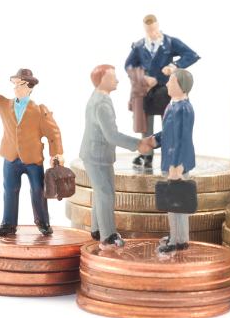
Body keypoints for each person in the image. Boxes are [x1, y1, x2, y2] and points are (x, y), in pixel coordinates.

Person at [0, 46, 64, 237]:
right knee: (9, 190)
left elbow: (53, 132)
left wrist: (57, 153)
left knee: (38, 190)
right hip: (11, 157)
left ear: (30, 87)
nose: (16, 87)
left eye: (20, 84)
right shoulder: (5, 104)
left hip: (33, 159)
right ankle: (8, 223)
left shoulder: (40, 110)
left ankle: (43, 222)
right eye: (15, 84)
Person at [79, 64, 146, 247]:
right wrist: (138, 144)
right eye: (112, 77)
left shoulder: (99, 97)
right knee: (106, 193)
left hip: (96, 153)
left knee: (101, 192)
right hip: (97, 155)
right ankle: (108, 235)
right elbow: (112, 136)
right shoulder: (102, 103)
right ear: (101, 80)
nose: (117, 80)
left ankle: (97, 229)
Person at [124, 14, 200, 168]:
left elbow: (192, 55)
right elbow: (129, 65)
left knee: (168, 122)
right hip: (147, 91)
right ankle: (146, 155)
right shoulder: (139, 46)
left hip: (166, 90)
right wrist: (143, 78)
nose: (152, 34)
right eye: (148, 31)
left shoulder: (170, 42)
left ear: (158, 26)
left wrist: (175, 66)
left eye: (154, 30)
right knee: (146, 124)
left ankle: (170, 152)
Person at [139, 69, 196, 254]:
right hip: (170, 161)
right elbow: (169, 133)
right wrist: (153, 141)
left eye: (171, 81)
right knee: (175, 204)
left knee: (177, 204)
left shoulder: (184, 109)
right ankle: (178, 237)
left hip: (176, 164)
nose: (168, 84)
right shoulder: (173, 105)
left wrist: (176, 166)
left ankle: (177, 240)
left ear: (181, 85)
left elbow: (182, 139)